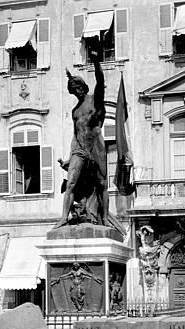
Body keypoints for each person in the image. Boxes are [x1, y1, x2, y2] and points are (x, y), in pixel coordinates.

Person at [55, 50, 108, 227]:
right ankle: (63, 217)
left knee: (101, 184)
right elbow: (75, 133)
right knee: (70, 183)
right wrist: (70, 159)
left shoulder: (95, 100)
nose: (75, 91)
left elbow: (100, 81)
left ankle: (105, 217)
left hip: (96, 146)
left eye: (77, 87)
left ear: (83, 86)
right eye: (72, 89)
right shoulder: (75, 111)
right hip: (79, 148)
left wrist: (96, 62)